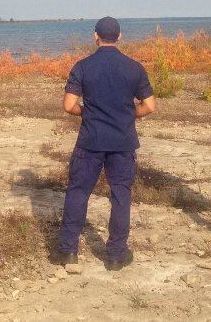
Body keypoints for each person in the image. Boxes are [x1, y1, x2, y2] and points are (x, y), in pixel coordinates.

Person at [57, 17, 156, 271]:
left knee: (78, 191)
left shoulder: (83, 66)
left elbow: (69, 105)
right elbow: (150, 106)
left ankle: (68, 251)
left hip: (90, 139)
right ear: (120, 37)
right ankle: (115, 255)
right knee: (121, 194)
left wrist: (88, 113)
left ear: (95, 36)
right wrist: (127, 114)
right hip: (122, 141)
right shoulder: (134, 68)